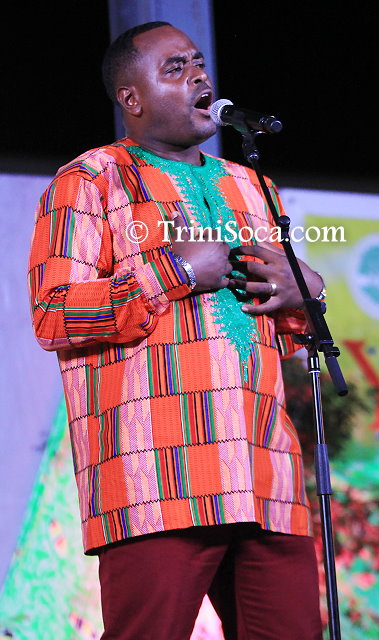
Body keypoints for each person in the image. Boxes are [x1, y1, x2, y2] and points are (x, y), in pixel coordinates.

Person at [28, 21, 325, 640]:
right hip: (159, 479)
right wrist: (177, 270)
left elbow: (284, 331)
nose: (199, 75)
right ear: (131, 98)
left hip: (266, 473)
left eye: (198, 63)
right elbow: (54, 314)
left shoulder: (255, 187)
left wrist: (306, 293)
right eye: (175, 68)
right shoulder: (88, 181)